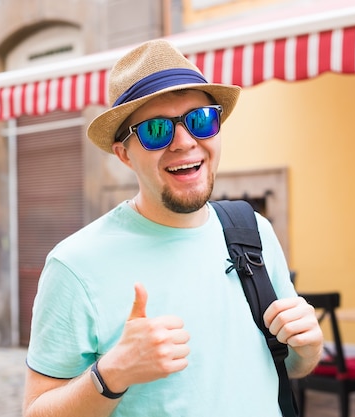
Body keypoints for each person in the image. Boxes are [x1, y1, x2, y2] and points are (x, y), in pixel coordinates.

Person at [22, 39, 323, 417]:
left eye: (200, 120)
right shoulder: (75, 265)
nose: (184, 142)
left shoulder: (253, 231)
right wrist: (112, 373)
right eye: (156, 129)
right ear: (124, 154)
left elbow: (285, 365)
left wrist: (308, 348)